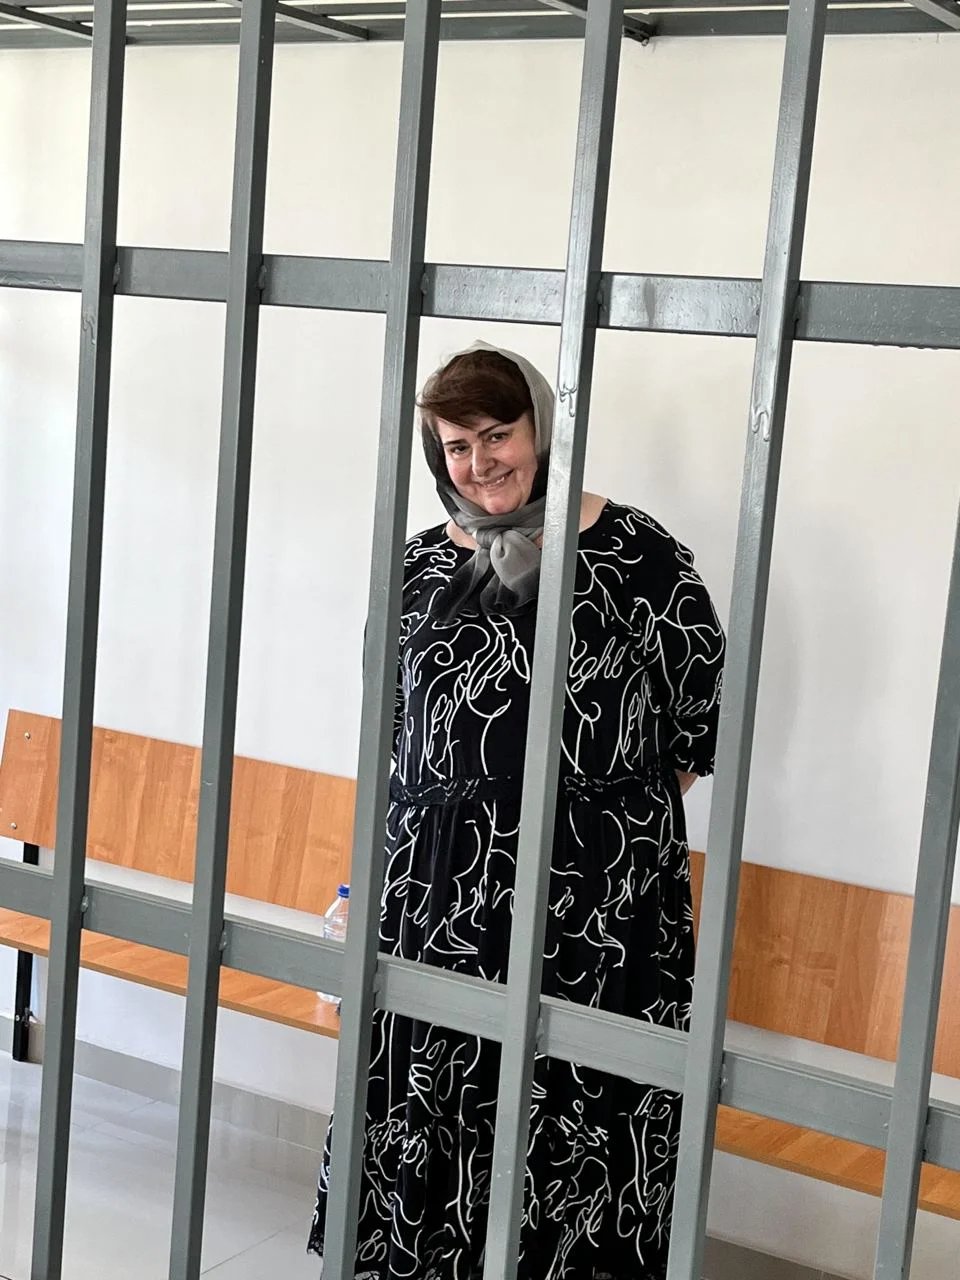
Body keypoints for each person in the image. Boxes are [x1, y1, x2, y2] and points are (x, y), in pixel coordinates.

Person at [309, 341, 726, 1280]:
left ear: (544, 427)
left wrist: (586, 828)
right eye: (457, 445)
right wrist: (372, 885)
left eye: (499, 434)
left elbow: (699, 727)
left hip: (594, 916)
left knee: (575, 1126)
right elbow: (397, 738)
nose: (479, 462)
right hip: (435, 907)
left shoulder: (640, 558)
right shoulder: (417, 567)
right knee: (435, 1119)